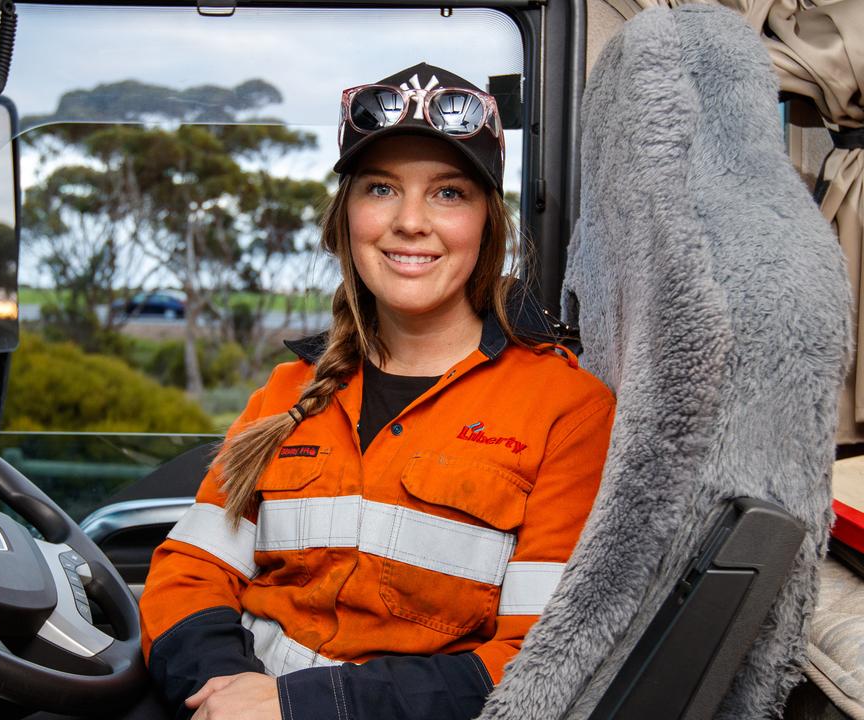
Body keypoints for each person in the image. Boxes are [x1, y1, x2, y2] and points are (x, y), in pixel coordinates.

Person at [138, 62, 616, 720]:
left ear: (487, 223)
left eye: (448, 193)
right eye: (381, 189)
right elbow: (188, 573)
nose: (410, 222)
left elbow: (542, 656)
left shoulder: (569, 411)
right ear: (346, 218)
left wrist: (297, 707)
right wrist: (221, 686)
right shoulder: (286, 392)